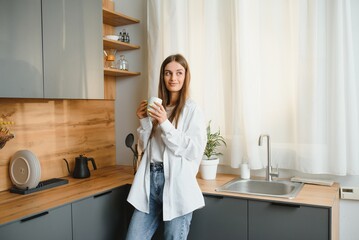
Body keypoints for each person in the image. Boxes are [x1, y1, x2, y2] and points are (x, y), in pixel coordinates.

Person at [126, 54, 207, 240]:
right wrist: (144, 120)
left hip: (177, 185)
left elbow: (194, 149)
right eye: (168, 73)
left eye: (179, 73)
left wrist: (164, 123)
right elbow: (144, 147)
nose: (173, 78)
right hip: (150, 181)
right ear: (163, 76)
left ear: (186, 76)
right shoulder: (158, 106)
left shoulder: (192, 109)